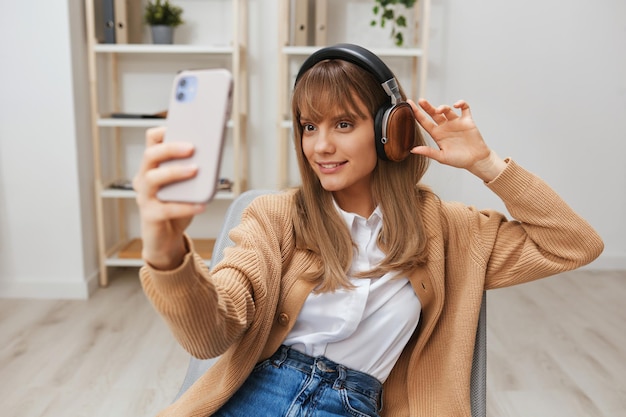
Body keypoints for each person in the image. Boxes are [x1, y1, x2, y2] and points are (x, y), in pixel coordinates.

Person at [133, 44, 603, 417]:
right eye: (308, 125)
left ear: (389, 130)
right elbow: (209, 336)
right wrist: (166, 251)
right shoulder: (274, 216)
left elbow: (574, 244)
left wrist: (488, 165)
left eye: (342, 123)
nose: (321, 145)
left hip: (353, 404)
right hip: (255, 396)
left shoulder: (452, 232)